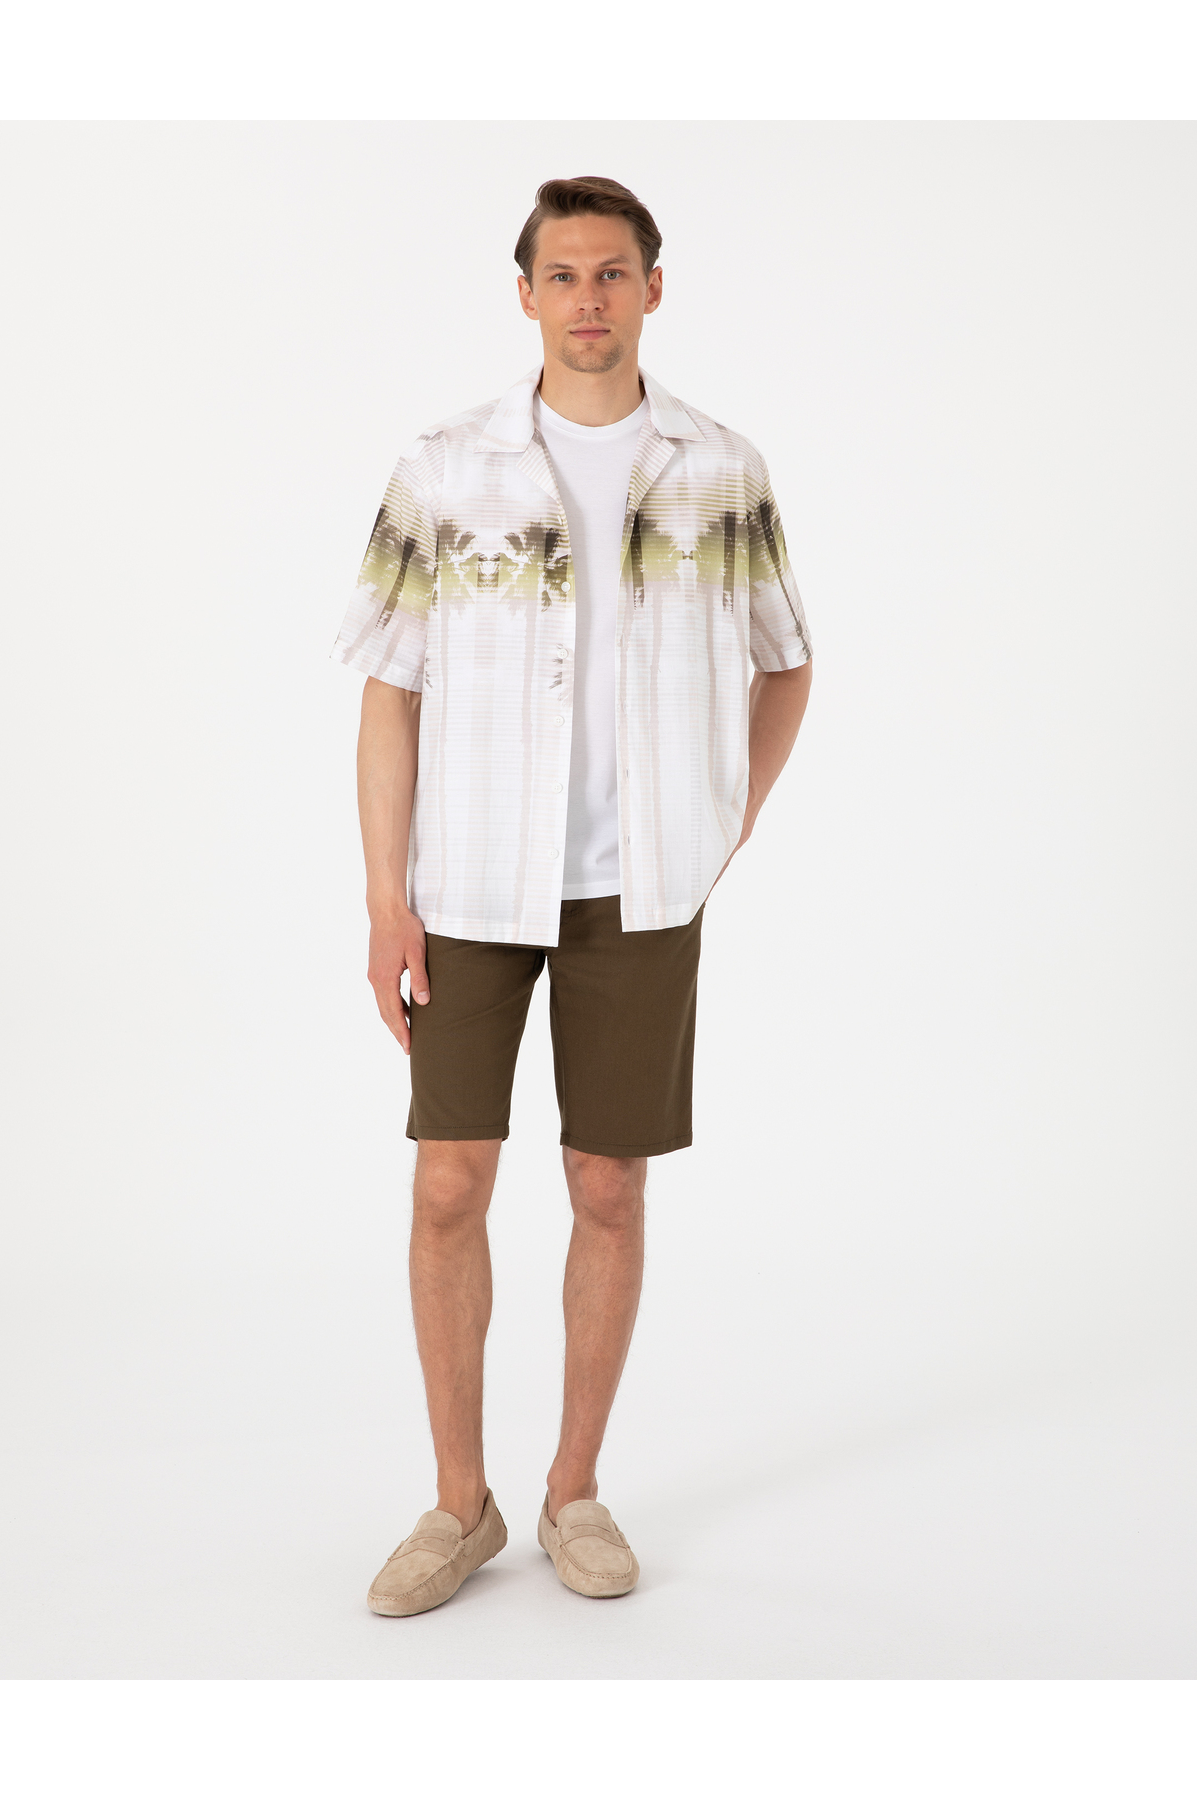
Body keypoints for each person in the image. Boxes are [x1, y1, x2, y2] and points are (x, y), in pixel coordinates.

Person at [331, 176, 813, 1616]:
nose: (588, 298)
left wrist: (722, 824)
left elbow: (786, 657)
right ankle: (459, 1505)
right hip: (471, 880)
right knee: (447, 1184)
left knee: (608, 1183)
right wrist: (385, 898)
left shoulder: (721, 467)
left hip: (641, 888)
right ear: (527, 295)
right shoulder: (444, 469)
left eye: (613, 273)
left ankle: (575, 1491)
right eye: (563, 274)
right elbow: (389, 689)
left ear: (653, 289)